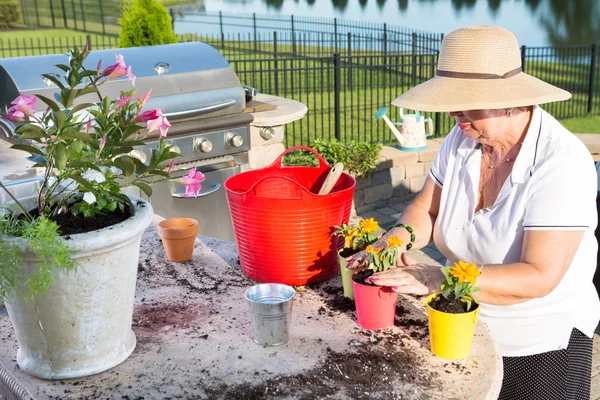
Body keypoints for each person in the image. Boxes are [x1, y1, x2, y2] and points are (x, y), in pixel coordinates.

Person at [348, 25, 600, 400]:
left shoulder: (560, 161)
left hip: (539, 343)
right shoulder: (463, 138)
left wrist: (439, 279)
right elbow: (426, 210)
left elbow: (539, 277)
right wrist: (394, 239)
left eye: (466, 101)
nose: (454, 113)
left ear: (509, 100)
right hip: (462, 322)